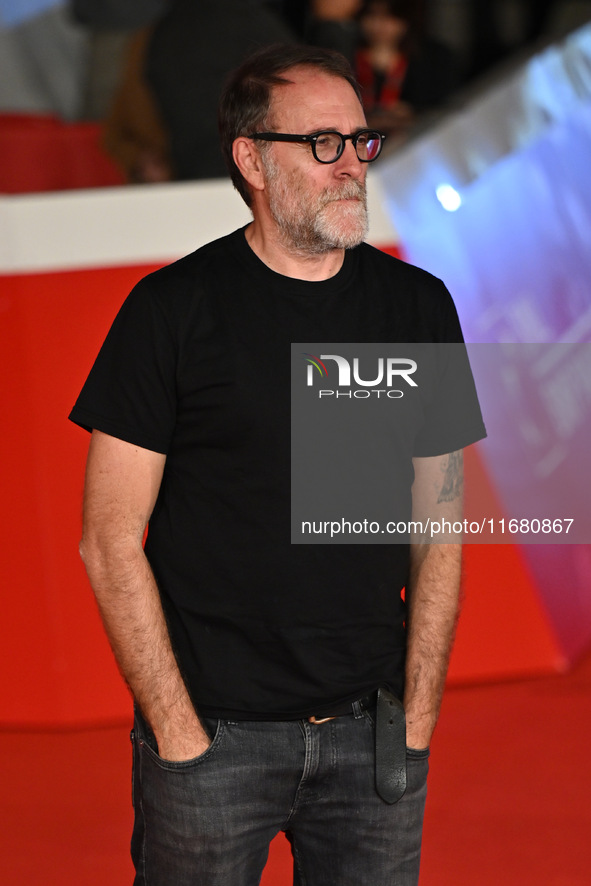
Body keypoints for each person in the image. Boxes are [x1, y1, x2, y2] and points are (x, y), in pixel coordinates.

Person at [70, 44, 485, 886]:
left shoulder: (416, 308)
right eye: (322, 144)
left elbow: (440, 527)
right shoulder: (170, 311)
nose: (351, 167)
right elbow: (108, 539)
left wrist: (416, 715)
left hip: (374, 740)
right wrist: (178, 734)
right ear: (251, 159)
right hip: (213, 744)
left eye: (360, 142)